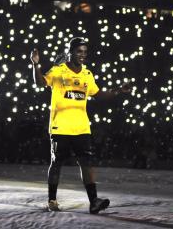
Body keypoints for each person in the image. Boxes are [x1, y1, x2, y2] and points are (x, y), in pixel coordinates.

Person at [30, 37, 130, 214]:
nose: (83, 55)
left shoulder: (87, 74)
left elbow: (98, 95)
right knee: (56, 163)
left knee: (87, 163)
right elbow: (40, 83)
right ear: (70, 52)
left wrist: (118, 91)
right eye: (79, 51)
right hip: (60, 126)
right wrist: (35, 65)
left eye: (85, 51)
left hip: (82, 128)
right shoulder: (58, 71)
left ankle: (94, 202)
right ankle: (52, 200)